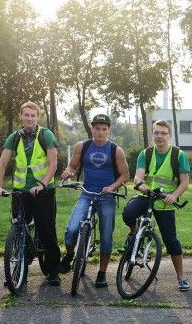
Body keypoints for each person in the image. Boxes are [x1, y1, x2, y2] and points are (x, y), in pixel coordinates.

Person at [0, 102, 61, 285]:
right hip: (20, 191)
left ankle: (53, 271)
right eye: (26, 115)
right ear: (21, 117)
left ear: (37, 117)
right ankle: (19, 273)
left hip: (43, 191)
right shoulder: (14, 138)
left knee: (46, 230)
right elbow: (2, 164)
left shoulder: (46, 135)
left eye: (33, 115)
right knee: (18, 228)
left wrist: (43, 184)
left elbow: (53, 164)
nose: (29, 118)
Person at [58, 114, 129, 288]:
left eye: (104, 129)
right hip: (87, 193)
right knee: (72, 228)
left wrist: (112, 187)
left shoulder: (115, 150)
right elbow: (73, 166)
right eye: (97, 128)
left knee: (106, 234)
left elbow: (125, 175)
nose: (100, 132)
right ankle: (69, 255)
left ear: (109, 130)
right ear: (92, 128)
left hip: (106, 196)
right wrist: (69, 172)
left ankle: (101, 273)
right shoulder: (82, 146)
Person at [122, 119, 191, 291]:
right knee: (128, 213)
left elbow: (184, 182)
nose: (159, 136)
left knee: (171, 241)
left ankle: (181, 277)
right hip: (147, 196)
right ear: (152, 134)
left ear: (170, 135)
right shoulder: (145, 154)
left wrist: (174, 195)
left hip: (164, 202)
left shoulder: (179, 155)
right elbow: (138, 176)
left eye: (163, 133)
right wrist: (140, 184)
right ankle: (134, 233)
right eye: (156, 133)